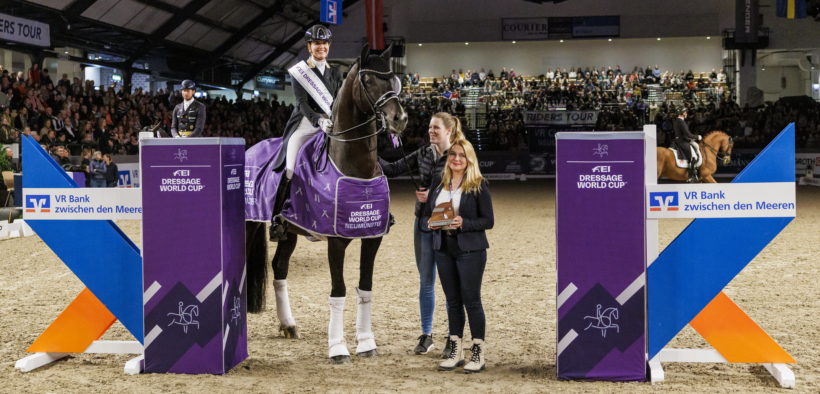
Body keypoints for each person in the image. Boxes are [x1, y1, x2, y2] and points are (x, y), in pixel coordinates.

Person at [378, 112, 464, 356]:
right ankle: (426, 335)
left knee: (449, 284)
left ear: (448, 131)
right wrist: (368, 152)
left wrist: (433, 198)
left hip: (448, 228)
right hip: (423, 224)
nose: (431, 131)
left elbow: (464, 191)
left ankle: (452, 337)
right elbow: (393, 170)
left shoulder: (457, 156)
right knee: (426, 282)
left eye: (436, 128)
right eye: (429, 127)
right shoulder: (425, 153)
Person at [424, 139, 493, 374]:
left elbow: (488, 220)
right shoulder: (439, 182)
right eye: (453, 154)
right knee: (452, 301)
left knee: (471, 301)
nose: (456, 158)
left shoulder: (478, 184)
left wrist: (466, 223)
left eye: (462, 155)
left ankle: (478, 352)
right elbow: (425, 216)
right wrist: (431, 223)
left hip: (470, 249)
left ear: (469, 159)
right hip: (443, 247)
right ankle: (456, 350)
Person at [268, 24, 342, 241]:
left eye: (325, 43)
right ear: (309, 47)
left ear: (329, 47)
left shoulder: (335, 72)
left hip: (331, 125)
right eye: (317, 43)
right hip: (305, 126)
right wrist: (319, 120)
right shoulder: (299, 72)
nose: (321, 47)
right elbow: (301, 104)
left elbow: (337, 102)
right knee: (290, 168)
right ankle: (277, 219)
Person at [673, 108, 701, 182]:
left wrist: (690, 139)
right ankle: (691, 176)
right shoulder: (681, 122)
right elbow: (688, 134)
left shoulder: (676, 121)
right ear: (682, 113)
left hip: (680, 140)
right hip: (682, 141)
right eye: (685, 113)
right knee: (694, 157)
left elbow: (682, 133)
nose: (686, 114)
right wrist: (697, 137)